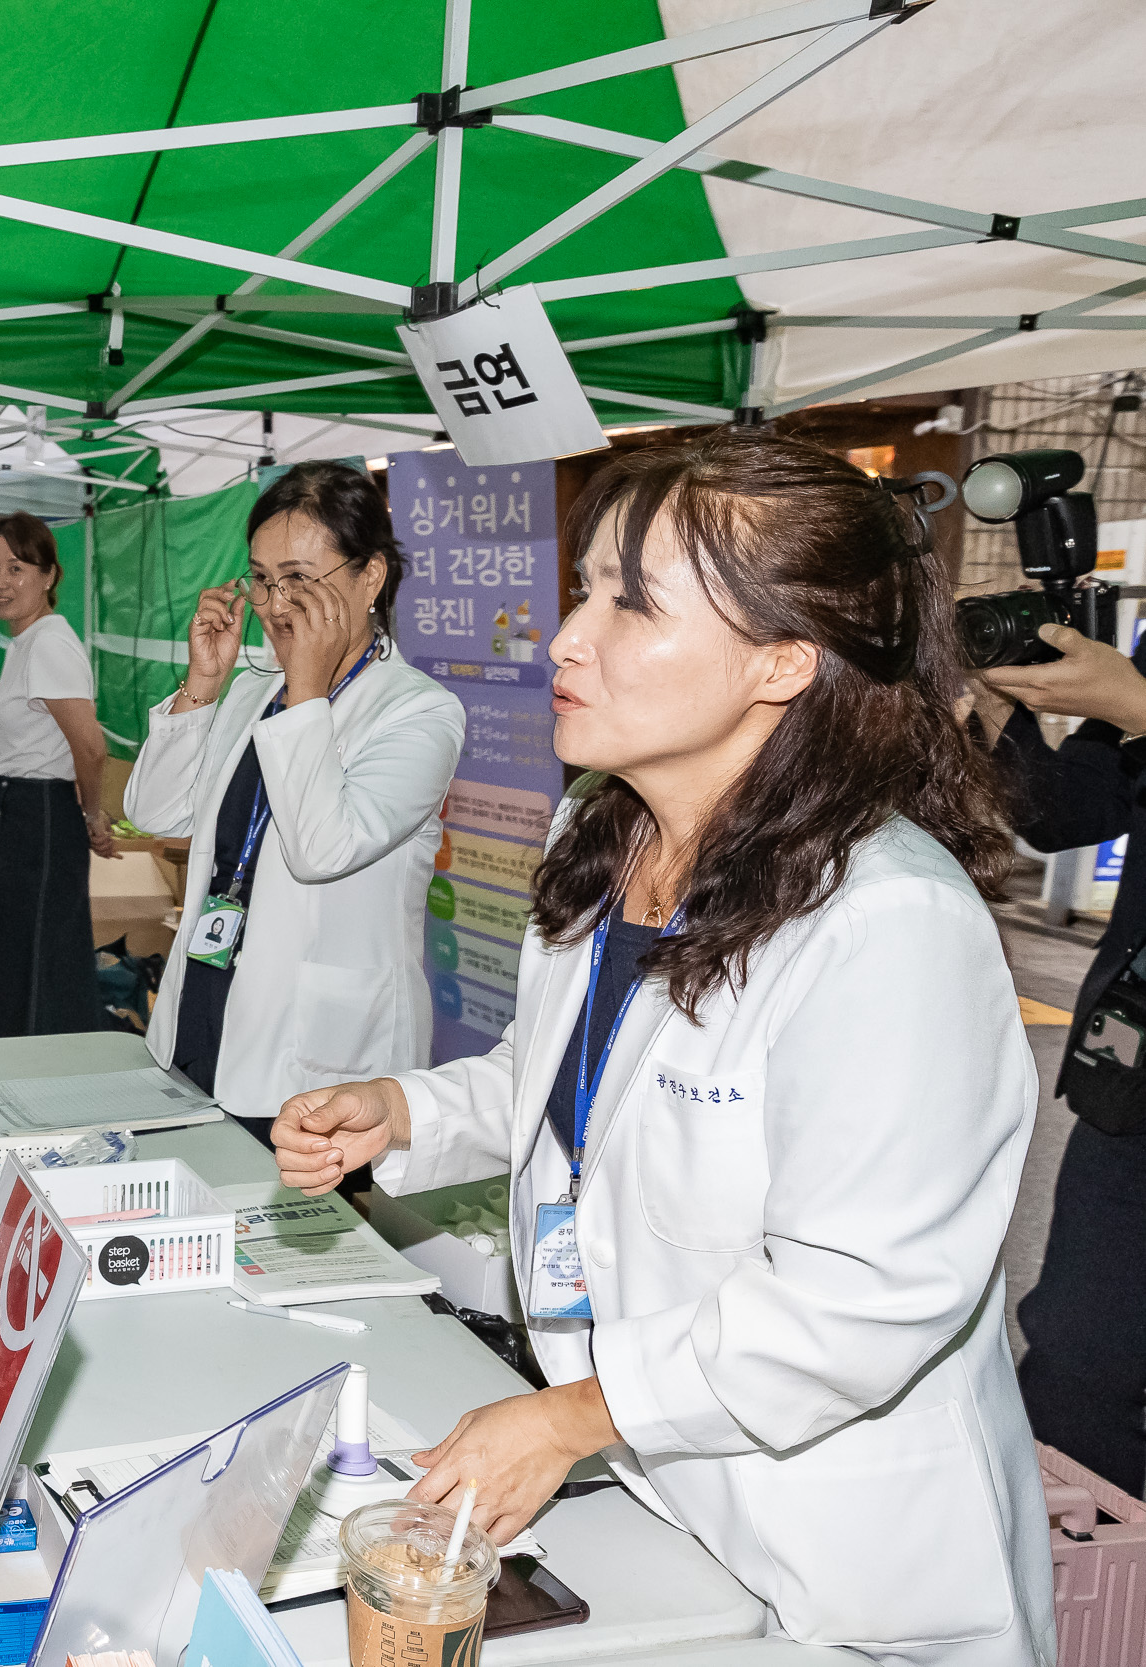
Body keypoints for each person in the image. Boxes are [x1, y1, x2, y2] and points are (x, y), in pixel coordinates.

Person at [275, 430, 1052, 1661]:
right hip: (656, 1487)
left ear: (783, 662)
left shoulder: (887, 920)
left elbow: (859, 1301)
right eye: (584, 587)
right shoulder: (607, 830)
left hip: (829, 1546)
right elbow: (591, 1079)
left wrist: (572, 1413)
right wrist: (409, 1110)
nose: (568, 637)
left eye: (631, 603)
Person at [126, 463, 463, 1142]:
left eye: (300, 580)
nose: (277, 603)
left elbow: (323, 848)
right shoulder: (256, 688)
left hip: (321, 1059)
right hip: (206, 1009)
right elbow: (157, 811)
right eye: (261, 578)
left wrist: (307, 688)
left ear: (370, 577)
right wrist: (202, 685)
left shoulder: (421, 712)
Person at [969, 619, 1146, 1495]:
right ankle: (1087, 1610)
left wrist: (1143, 709)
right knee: (1077, 1356)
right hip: (1132, 1073)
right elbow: (1072, 813)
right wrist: (1007, 712)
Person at [0, 512, 111, 1037]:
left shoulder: (50, 642)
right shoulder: (25, 642)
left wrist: (92, 815)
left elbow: (90, 747)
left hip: (41, 818)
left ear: (49, 576)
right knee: (12, 958)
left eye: (17, 568)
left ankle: (40, 1082)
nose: (1, 583)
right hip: (18, 812)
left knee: (39, 960)